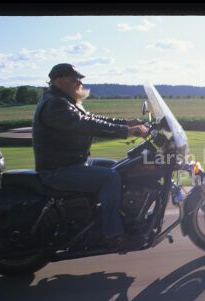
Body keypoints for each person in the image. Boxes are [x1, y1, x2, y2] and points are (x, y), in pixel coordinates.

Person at [32, 63, 148, 249]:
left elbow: (92, 119)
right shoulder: (55, 104)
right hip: (58, 170)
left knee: (118, 166)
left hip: (73, 162)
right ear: (60, 81)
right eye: (74, 79)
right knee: (110, 178)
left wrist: (127, 123)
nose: (79, 82)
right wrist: (127, 131)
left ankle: (102, 217)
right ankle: (113, 233)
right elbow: (86, 125)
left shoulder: (63, 100)